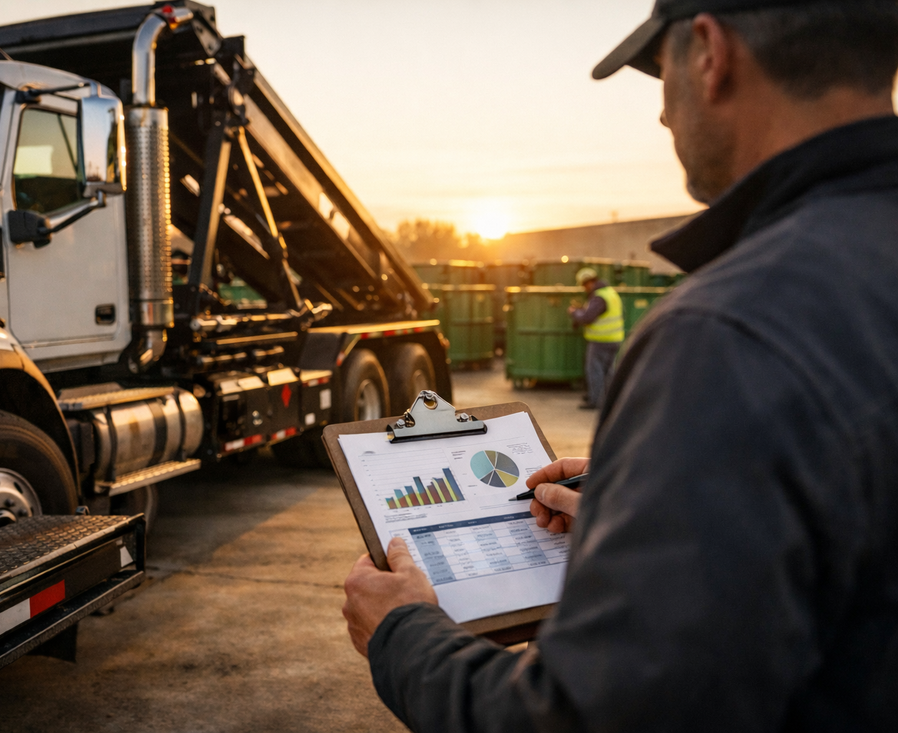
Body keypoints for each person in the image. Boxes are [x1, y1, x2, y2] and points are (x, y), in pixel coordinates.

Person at [341, 1, 898, 730]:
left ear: (708, 53)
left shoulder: (726, 333)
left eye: (658, 73)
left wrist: (402, 632)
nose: (664, 118)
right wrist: (659, 499)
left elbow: (588, 717)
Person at [568, 267, 624, 409]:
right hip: (615, 339)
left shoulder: (599, 297)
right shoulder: (611, 293)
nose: (584, 289)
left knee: (595, 370)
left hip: (601, 340)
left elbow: (588, 318)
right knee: (608, 372)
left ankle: (595, 401)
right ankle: (610, 400)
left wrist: (575, 313)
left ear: (588, 283)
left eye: (584, 285)